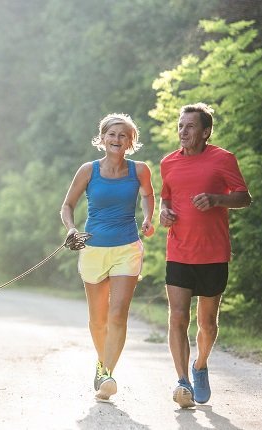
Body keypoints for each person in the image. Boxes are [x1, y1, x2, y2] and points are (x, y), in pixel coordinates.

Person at [159, 102, 252, 408]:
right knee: (177, 317)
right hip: (179, 250)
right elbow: (166, 198)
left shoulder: (223, 159)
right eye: (180, 126)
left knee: (207, 324)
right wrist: (164, 213)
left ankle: (200, 366)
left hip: (213, 253)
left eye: (190, 126)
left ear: (206, 131)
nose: (183, 132)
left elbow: (243, 197)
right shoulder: (168, 162)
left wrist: (216, 199)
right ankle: (183, 381)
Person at [60, 113, 155, 400]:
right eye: (112, 134)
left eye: (123, 135)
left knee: (118, 314)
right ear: (102, 139)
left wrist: (148, 218)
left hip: (127, 248)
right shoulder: (89, 170)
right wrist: (72, 229)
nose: (116, 139)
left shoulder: (140, 170)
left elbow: (148, 196)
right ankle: (103, 365)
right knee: (98, 319)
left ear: (130, 141)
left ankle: (106, 373)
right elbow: (67, 205)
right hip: (93, 249)